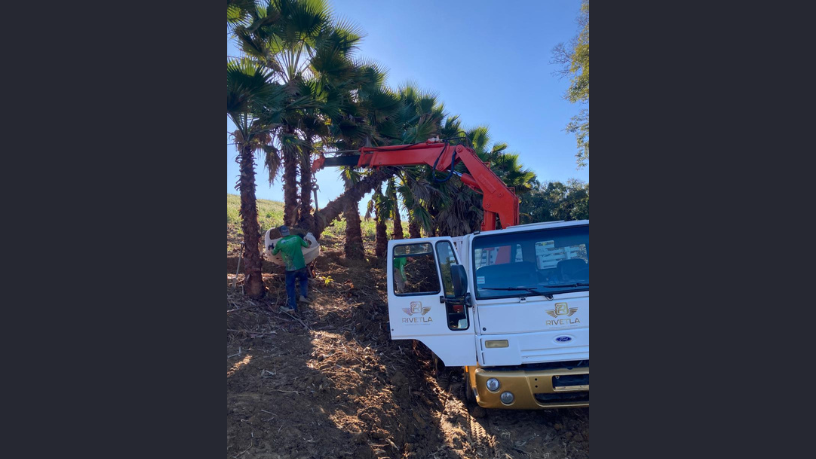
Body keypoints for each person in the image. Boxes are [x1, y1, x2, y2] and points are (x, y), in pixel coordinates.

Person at [271, 225, 312, 313]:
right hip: (301, 265)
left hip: (290, 268)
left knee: (290, 287)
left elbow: (273, 253)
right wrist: (307, 241)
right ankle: (303, 296)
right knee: (303, 280)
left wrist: (271, 248)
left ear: (281, 234)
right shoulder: (297, 238)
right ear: (288, 231)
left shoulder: (280, 243)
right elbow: (307, 246)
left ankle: (292, 307)